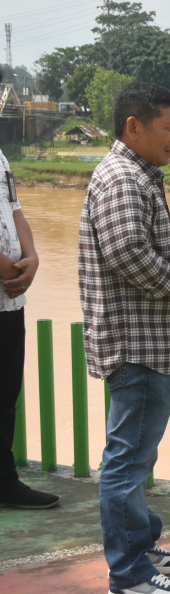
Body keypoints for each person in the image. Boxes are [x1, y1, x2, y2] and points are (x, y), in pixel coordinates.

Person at [79, 81, 170, 594]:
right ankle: (129, 576)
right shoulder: (121, 177)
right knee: (126, 460)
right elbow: (126, 254)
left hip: (150, 341)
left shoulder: (139, 175)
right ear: (134, 127)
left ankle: (140, 548)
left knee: (136, 456)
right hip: (136, 345)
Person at [0, 146, 59, 509]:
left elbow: (16, 209)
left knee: (6, 396)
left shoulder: (1, 156)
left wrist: (31, 257)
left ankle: (5, 481)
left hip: (9, 300)